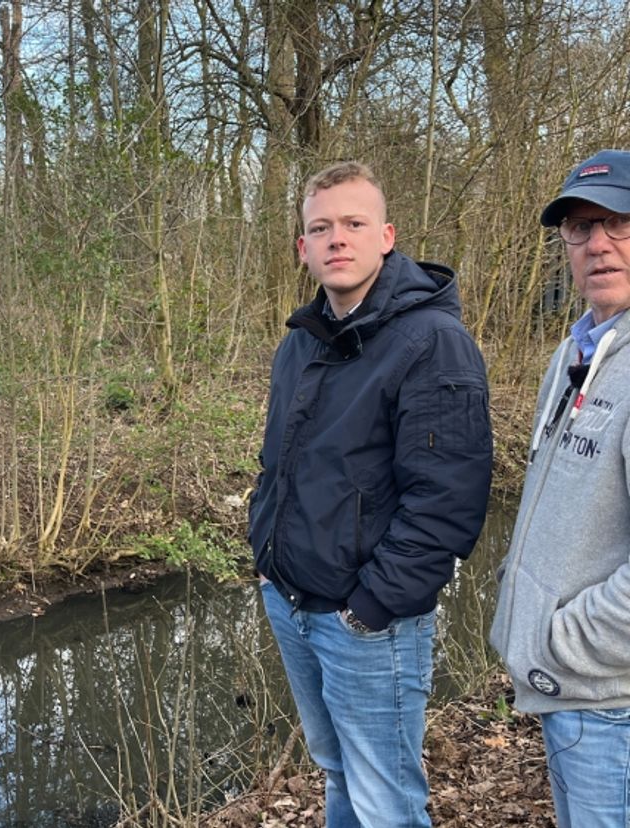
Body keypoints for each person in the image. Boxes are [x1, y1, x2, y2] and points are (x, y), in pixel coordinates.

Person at [247, 161, 493, 827]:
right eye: (320, 227)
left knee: (386, 802)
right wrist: (265, 555)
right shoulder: (299, 343)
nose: (336, 239)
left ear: (386, 236)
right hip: (292, 600)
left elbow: (448, 499)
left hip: (366, 624)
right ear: (302, 247)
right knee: (339, 778)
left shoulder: (433, 343)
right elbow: (282, 465)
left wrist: (372, 606)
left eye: (353, 223)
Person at [490, 148, 630, 827]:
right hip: (570, 695)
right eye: (580, 227)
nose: (598, 244)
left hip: (610, 703)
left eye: (619, 223)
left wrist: (560, 641)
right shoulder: (575, 351)